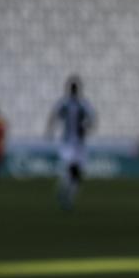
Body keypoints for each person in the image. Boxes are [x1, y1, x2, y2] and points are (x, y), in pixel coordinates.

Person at [46, 75, 96, 211]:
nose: (74, 90)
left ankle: (64, 192)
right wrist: (50, 130)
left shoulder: (82, 104)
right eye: (73, 87)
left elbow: (92, 119)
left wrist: (86, 127)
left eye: (75, 87)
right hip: (67, 143)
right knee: (73, 169)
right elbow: (54, 115)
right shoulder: (65, 103)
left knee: (77, 175)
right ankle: (66, 197)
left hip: (79, 143)